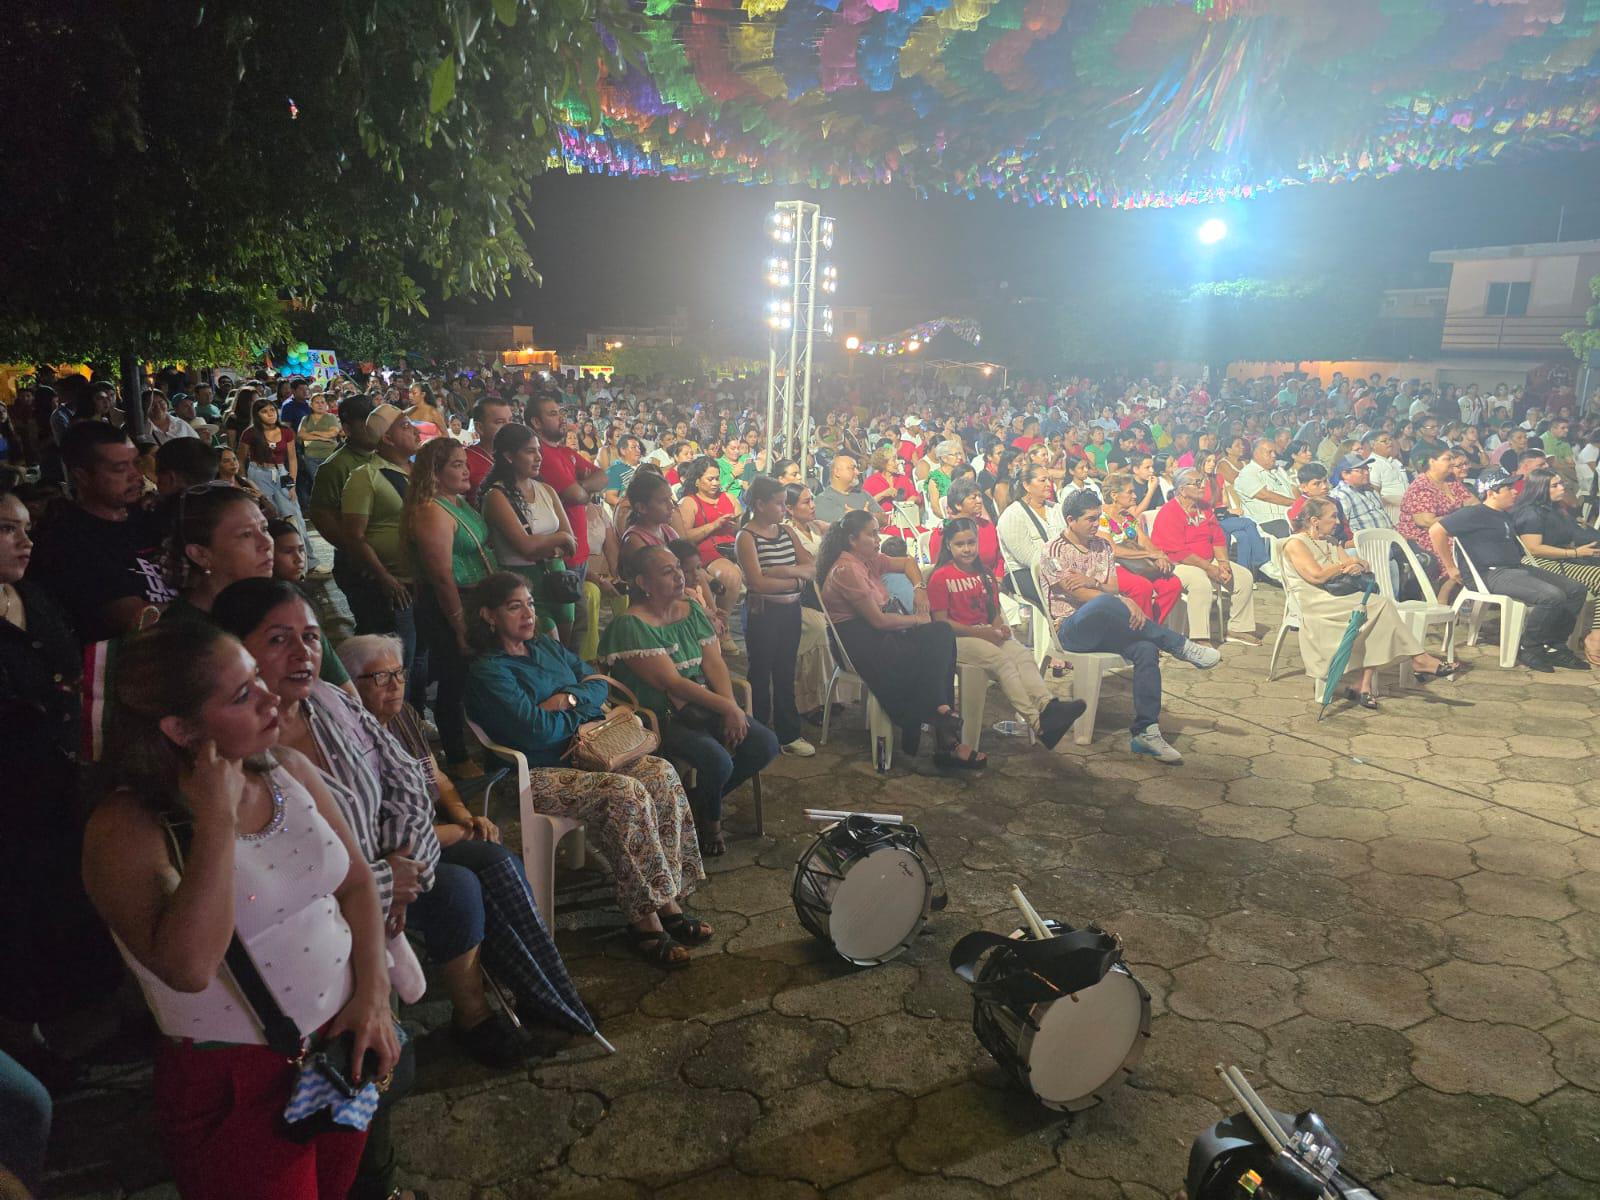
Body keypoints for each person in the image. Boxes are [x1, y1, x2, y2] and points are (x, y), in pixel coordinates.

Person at [81, 620, 397, 1199]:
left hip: (339, 1043)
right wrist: (216, 819)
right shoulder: (126, 829)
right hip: (238, 1080)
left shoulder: (286, 769)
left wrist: (374, 996)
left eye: (257, 678)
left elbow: (355, 884)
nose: (270, 698)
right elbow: (190, 967)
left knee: (341, 1187)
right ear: (179, 728)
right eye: (242, 694)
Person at [339, 632, 596, 1049]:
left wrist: (463, 814)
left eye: (399, 674)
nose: (395, 685)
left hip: (434, 832)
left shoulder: (402, 716)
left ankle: (544, 991)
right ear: (349, 686)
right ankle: (473, 1017)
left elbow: (436, 778)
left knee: (501, 862)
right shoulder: (347, 739)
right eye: (379, 677)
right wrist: (454, 831)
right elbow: (372, 831)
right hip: (388, 856)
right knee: (460, 888)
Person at [465, 574, 712, 963]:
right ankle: (645, 922)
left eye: (530, 603)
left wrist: (565, 700)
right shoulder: (489, 671)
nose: (528, 613)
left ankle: (669, 902)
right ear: (488, 616)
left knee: (661, 774)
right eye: (515, 606)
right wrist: (577, 712)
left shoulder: (544, 645)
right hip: (533, 774)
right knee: (624, 794)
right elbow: (534, 732)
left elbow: (598, 683)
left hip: (593, 754)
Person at [0, 469, 123, 1072]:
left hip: (63, 783)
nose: (23, 542)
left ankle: (88, 1016)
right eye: (5, 530)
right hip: (11, 799)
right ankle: (27, 1037)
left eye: (25, 529)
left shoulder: (35, 596)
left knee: (71, 897)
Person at [601, 548, 781, 851]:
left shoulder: (692, 610)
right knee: (718, 760)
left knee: (765, 743)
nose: (679, 575)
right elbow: (671, 682)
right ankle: (711, 821)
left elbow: (713, 664)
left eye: (677, 568)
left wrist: (731, 710)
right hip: (657, 716)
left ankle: (694, 801)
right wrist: (726, 706)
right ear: (644, 582)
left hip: (698, 706)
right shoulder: (630, 625)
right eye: (667, 571)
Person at [1037, 491, 1221, 765]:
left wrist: (1097, 584)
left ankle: (1146, 731)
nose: (1096, 524)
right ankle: (1178, 644)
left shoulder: (1102, 546)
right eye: (1090, 519)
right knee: (1104, 605)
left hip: (1106, 627)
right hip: (1070, 630)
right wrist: (1118, 599)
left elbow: (1111, 585)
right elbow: (1077, 594)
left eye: (1099, 517)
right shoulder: (1053, 550)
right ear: (1070, 520)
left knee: (1145, 649)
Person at [816, 510, 985, 768]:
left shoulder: (869, 560)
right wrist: (919, 620)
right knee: (934, 640)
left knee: (941, 634)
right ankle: (944, 735)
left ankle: (938, 713)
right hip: (859, 643)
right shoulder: (846, 569)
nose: (877, 538)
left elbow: (907, 562)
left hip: (884, 635)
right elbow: (878, 621)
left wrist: (920, 590)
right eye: (872, 534)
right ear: (852, 539)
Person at [161, 484, 353, 688]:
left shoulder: (286, 603)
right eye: (245, 534)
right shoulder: (181, 636)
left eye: (264, 528)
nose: (266, 542)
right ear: (200, 554)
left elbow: (348, 698)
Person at [1281, 498, 1455, 708]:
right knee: (1380, 606)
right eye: (1333, 517)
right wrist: (1344, 565)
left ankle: (1364, 684)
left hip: (1341, 595)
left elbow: (1354, 563)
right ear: (1314, 520)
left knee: (1376, 611)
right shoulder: (1296, 543)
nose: (1337, 522)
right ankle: (1418, 659)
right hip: (1317, 601)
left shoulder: (1330, 541)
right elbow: (1316, 577)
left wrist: (1358, 566)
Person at [927, 517, 1084, 748]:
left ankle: (1048, 706)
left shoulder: (985, 574)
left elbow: (994, 611)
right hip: (956, 640)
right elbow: (941, 623)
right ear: (949, 545)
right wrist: (983, 634)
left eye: (971, 542)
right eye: (960, 544)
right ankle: (1037, 723)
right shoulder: (941, 577)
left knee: (1021, 654)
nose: (967, 549)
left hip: (986, 633)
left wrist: (999, 627)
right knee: (1002, 661)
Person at [25, 423, 175, 641]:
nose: (136, 474)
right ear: (81, 477)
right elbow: (134, 619)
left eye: (136, 463)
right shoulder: (68, 540)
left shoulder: (149, 515)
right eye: (119, 468)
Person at [1431, 468, 1590, 673]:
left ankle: (1554, 644)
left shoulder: (1504, 514)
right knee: (1552, 596)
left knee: (1576, 589)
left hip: (1514, 568)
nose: (1515, 491)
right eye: (1508, 488)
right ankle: (1529, 647)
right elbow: (1436, 531)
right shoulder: (1474, 513)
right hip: (1490, 573)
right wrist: (1450, 567)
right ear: (1492, 492)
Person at [405, 437, 499, 774]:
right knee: (453, 677)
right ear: (435, 472)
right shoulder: (431, 510)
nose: (466, 469)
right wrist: (459, 625)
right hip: (449, 601)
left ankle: (486, 746)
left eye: (465, 462)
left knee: (475, 675)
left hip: (475, 598)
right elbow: (442, 576)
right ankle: (457, 756)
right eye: (457, 464)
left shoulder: (457, 502)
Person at [734, 476, 816, 756]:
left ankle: (788, 733)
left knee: (785, 671)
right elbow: (757, 583)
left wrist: (783, 573)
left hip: (790, 609)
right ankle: (758, 732)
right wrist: (796, 578)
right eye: (779, 504)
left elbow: (810, 567)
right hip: (763, 611)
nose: (784, 509)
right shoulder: (746, 536)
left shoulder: (786, 532)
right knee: (760, 671)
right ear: (760, 504)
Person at [480, 423, 580, 643]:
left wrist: (552, 544)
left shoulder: (546, 490)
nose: (538, 457)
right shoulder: (497, 496)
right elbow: (525, 547)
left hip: (557, 577)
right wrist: (558, 540)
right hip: (521, 582)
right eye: (530, 451)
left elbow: (571, 542)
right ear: (508, 456)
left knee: (564, 647)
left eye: (538, 451)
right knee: (546, 643)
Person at [1512, 468, 1600, 667]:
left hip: (1562, 558)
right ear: (1540, 489)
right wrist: (1575, 553)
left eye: (1561, 483)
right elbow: (1534, 549)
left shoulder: (1554, 509)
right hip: (1538, 563)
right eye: (1555, 485)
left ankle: (1576, 637)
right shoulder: (1531, 512)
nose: (1562, 488)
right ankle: (1594, 637)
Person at [530, 391, 606, 589]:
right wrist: (584, 490)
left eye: (560, 413)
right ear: (536, 422)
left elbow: (603, 477)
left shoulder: (564, 451)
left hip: (577, 551)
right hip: (561, 557)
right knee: (571, 618)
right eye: (553, 414)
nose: (562, 419)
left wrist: (582, 488)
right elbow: (576, 496)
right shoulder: (541, 455)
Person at [1097, 473, 1183, 624]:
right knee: (1142, 587)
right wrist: (1150, 554)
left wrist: (1159, 555)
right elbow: (1113, 550)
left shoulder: (1127, 517)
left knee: (1172, 584)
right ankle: (1141, 632)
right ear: (1114, 495)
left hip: (1136, 565)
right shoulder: (1100, 517)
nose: (1135, 496)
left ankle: (1152, 626)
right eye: (1130, 492)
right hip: (1112, 567)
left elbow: (1144, 540)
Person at [675, 454, 743, 639]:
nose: (715, 483)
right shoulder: (689, 502)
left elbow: (740, 528)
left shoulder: (728, 497)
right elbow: (685, 537)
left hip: (732, 546)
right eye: (710, 479)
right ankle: (723, 625)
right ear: (697, 481)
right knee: (730, 574)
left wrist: (737, 523)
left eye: (717, 478)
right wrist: (715, 525)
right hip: (705, 550)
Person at [996, 462, 1063, 608]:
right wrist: (1061, 568)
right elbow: (1028, 557)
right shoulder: (1012, 515)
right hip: (1026, 572)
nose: (1048, 484)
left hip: (1059, 566)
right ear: (1026, 486)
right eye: (1042, 480)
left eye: (1049, 480)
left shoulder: (1056, 509)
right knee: (1068, 592)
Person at [1234, 437, 1295, 536]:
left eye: (1274, 452)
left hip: (1291, 517)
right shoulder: (1248, 473)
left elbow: (1293, 489)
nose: (1274, 455)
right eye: (1269, 452)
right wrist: (1295, 503)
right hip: (1268, 521)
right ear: (1256, 453)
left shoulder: (1279, 470)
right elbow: (1265, 495)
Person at [464, 397, 514, 503]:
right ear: (480, 428)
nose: (509, 427)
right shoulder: (464, 460)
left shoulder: (518, 455)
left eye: (510, 420)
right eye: (500, 422)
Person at [813, 452, 875, 525]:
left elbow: (885, 518)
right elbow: (845, 526)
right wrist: (865, 516)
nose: (858, 472)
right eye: (852, 468)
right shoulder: (823, 500)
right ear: (837, 472)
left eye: (857, 468)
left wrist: (866, 516)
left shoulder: (863, 494)